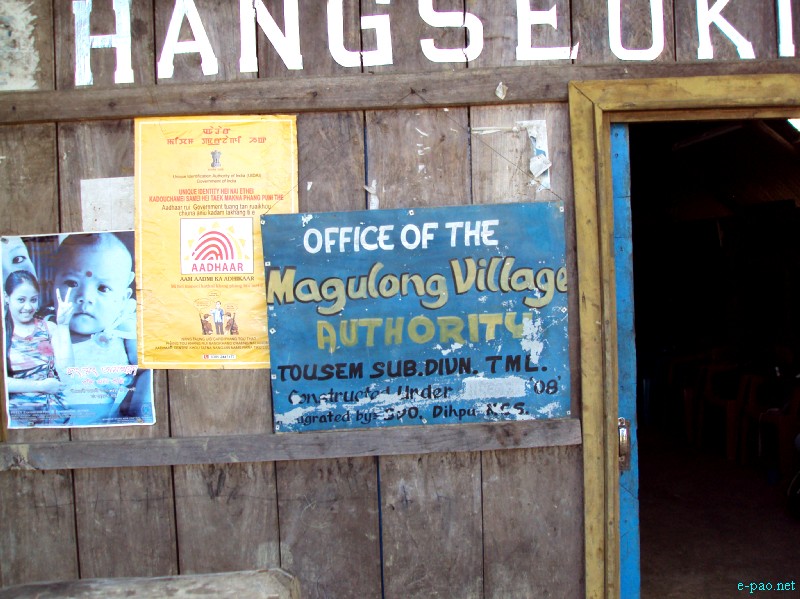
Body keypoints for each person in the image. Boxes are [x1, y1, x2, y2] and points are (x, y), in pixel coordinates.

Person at [52, 233, 151, 423]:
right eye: (72, 283)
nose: (85, 297)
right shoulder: (46, 329)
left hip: (113, 418)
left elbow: (146, 370)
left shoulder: (122, 328)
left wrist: (138, 404)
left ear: (123, 298)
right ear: (52, 285)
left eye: (103, 288)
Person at [4, 270, 74, 424]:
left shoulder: (49, 328)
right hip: (19, 419)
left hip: (56, 417)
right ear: (6, 297)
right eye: (21, 300)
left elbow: (67, 374)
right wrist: (41, 386)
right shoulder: (3, 332)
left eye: (33, 300)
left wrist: (63, 326)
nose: (28, 307)